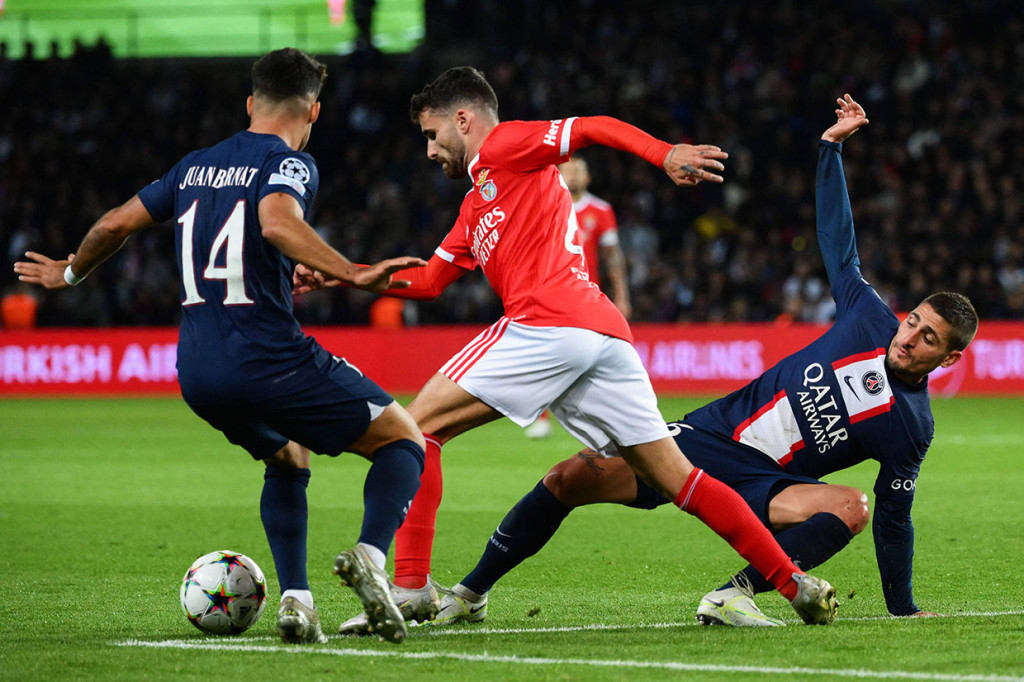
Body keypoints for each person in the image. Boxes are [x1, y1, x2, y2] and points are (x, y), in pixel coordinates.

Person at [299, 66, 837, 633]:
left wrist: (663, 154)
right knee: (681, 479)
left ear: (465, 119)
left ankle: (409, 586)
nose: (430, 150)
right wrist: (342, 276)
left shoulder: (505, 144)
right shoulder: (476, 203)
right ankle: (792, 582)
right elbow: (429, 280)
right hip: (599, 336)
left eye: (433, 136)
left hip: (547, 323)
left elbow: (593, 126)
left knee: (413, 430)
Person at [429, 95, 979, 627]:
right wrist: (830, 150)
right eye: (913, 322)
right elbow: (838, 240)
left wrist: (903, 608)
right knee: (568, 477)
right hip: (712, 438)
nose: (909, 337)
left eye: (928, 339)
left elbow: (893, 517)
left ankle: (734, 595)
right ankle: (470, 592)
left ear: (949, 358)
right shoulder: (867, 317)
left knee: (852, 506)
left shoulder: (912, 426)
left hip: (771, 486)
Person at [14, 48, 429, 645]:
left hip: (200, 374)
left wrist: (71, 273)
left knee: (287, 456)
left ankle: (296, 603)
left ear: (250, 103)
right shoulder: (287, 163)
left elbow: (112, 225)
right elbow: (276, 224)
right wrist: (352, 272)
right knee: (403, 439)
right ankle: (370, 557)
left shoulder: (193, 166)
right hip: (271, 361)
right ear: (313, 110)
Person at [524, 155, 631, 439]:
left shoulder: (601, 210)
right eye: (567, 170)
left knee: (593, 360)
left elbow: (612, 257)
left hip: (587, 298)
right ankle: (543, 418)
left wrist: (621, 295)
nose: (572, 176)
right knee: (545, 355)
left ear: (588, 178)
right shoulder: (543, 206)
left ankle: (608, 417)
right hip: (549, 295)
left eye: (578, 171)